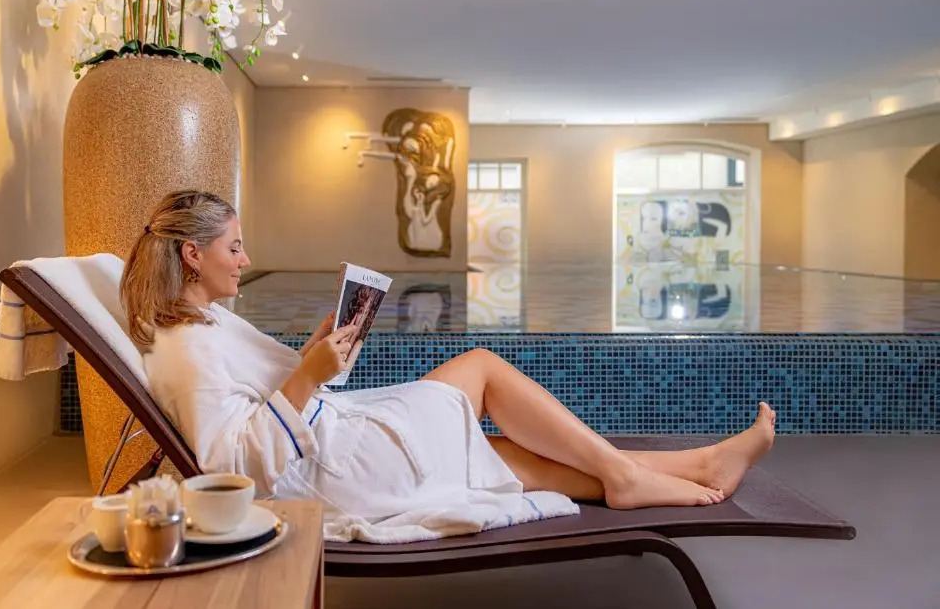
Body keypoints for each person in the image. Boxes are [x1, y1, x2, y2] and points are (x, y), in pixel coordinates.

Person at [122, 190, 777, 542]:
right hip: (334, 471)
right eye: (234, 247)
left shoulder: (202, 325)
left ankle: (693, 466)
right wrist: (308, 375)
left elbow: (262, 404)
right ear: (192, 255)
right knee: (482, 369)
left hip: (331, 443)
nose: (244, 259)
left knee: (496, 453)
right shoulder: (188, 349)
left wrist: (320, 354)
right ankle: (632, 474)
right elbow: (230, 467)